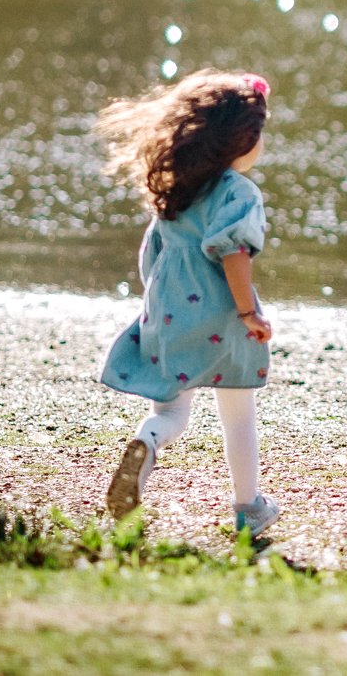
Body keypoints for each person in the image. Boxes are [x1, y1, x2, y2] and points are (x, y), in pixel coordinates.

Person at [96, 68, 280, 537]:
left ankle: (146, 442)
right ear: (241, 141)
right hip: (223, 313)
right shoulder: (239, 193)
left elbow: (150, 258)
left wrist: (158, 307)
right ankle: (248, 507)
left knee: (171, 411)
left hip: (171, 308)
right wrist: (248, 312)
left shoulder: (178, 191)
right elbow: (234, 254)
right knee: (237, 413)